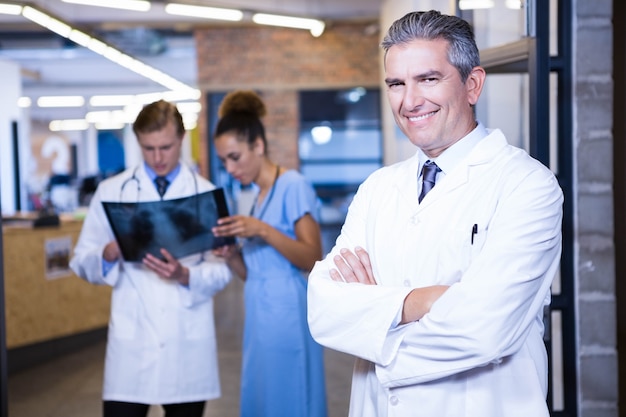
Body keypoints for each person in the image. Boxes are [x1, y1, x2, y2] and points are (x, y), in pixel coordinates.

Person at [307, 10, 563, 417]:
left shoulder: (527, 186)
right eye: (396, 84)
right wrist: (423, 301)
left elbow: (483, 330)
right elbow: (324, 309)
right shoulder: (378, 188)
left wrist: (373, 319)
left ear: (472, 84)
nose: (410, 101)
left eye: (428, 79)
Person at [69, 99, 232, 417]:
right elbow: (79, 261)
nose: (157, 158)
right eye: (148, 148)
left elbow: (223, 269)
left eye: (166, 147)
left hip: (186, 341)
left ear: (182, 139)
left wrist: (185, 276)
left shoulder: (205, 194)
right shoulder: (112, 191)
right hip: (133, 343)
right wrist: (107, 253)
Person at [211, 90, 327, 417]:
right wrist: (231, 255)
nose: (230, 168)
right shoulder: (257, 197)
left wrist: (261, 230)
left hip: (287, 314)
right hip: (258, 314)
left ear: (258, 146)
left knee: (290, 399)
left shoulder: (292, 185)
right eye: (223, 161)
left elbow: (313, 258)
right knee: (263, 398)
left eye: (235, 157)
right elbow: (256, 272)